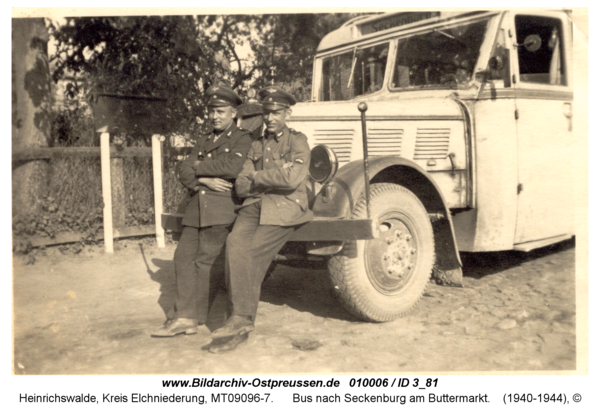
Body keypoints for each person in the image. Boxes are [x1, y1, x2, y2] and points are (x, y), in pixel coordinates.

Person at [207, 86, 312, 353]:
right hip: (254, 205)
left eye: (276, 112)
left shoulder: (297, 141)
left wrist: (257, 176)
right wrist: (268, 175)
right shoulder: (255, 143)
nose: (271, 117)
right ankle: (239, 322)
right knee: (233, 246)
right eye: (267, 112)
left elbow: (292, 180)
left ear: (287, 113)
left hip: (285, 208)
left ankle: (240, 321)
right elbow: (241, 185)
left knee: (252, 254)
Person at [151, 85, 252, 337]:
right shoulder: (204, 139)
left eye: (221, 111)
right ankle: (184, 317)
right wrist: (202, 179)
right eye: (212, 112)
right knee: (182, 258)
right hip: (196, 208)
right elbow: (182, 170)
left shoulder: (242, 137)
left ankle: (192, 317)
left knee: (206, 263)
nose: (215, 116)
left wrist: (198, 165)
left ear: (233, 112)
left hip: (221, 209)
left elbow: (231, 167)